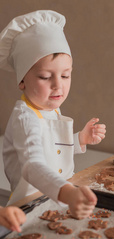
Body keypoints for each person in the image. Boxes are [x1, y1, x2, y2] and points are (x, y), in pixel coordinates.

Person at [0, 10, 106, 225]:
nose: (58, 85)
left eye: (66, 75)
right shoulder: (25, 117)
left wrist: (79, 140)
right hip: (28, 207)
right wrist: (67, 193)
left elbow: (52, 147)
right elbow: (32, 165)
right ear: (22, 81)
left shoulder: (49, 108)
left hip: (57, 198)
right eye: (46, 77)